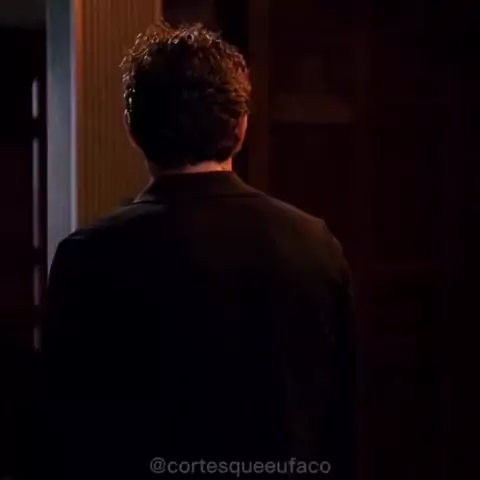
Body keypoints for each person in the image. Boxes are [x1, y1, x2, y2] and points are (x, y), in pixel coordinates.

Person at [39, 21, 356, 479]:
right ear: (241, 127)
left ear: (133, 129)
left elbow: (62, 433)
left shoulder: (88, 257)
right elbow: (339, 419)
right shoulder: (314, 245)